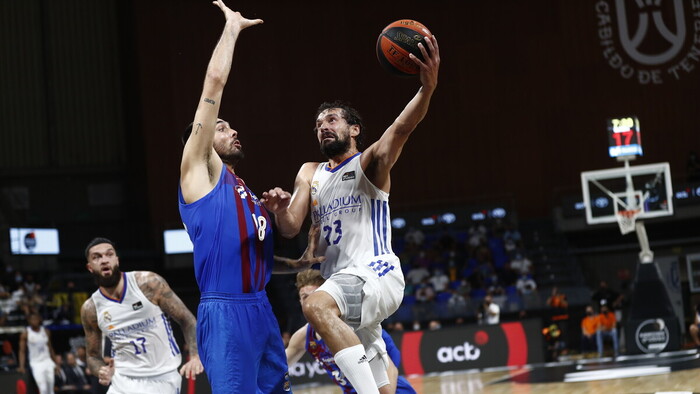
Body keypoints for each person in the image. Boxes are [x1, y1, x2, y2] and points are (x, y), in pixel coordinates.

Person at [262, 30, 440, 393]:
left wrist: (426, 89)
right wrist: (279, 210)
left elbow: (402, 128)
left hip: (376, 273)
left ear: (354, 129)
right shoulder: (309, 172)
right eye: (318, 125)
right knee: (384, 382)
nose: (323, 127)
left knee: (315, 306)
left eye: (331, 120)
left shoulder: (369, 163)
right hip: (345, 284)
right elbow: (290, 227)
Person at [177, 1, 322, 392]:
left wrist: (298, 262)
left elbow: (254, 259)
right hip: (224, 311)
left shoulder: (244, 190)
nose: (232, 130)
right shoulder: (200, 172)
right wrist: (232, 28)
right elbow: (214, 84)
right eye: (221, 128)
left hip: (260, 308)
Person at [80, 238, 204, 393]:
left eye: (109, 254)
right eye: (97, 257)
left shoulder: (148, 283)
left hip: (161, 378)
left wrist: (195, 356)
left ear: (116, 259)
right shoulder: (90, 308)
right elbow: (92, 356)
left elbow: (187, 320)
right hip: (122, 380)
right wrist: (101, 371)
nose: (104, 260)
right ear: (90, 267)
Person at [286, 269, 415, 394]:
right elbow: (279, 366)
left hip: (391, 389)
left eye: (315, 295)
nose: (310, 301)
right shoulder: (303, 337)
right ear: (299, 300)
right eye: (305, 297)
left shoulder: (355, 326)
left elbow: (390, 371)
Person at [18, 312, 57, 394]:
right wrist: (21, 366)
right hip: (36, 363)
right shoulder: (26, 333)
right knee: (43, 389)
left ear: (39, 320)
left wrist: (56, 363)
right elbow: (22, 351)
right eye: (32, 320)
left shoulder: (46, 331)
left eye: (36, 319)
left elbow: (50, 348)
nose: (34, 321)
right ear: (29, 321)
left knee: (51, 389)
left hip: (47, 361)